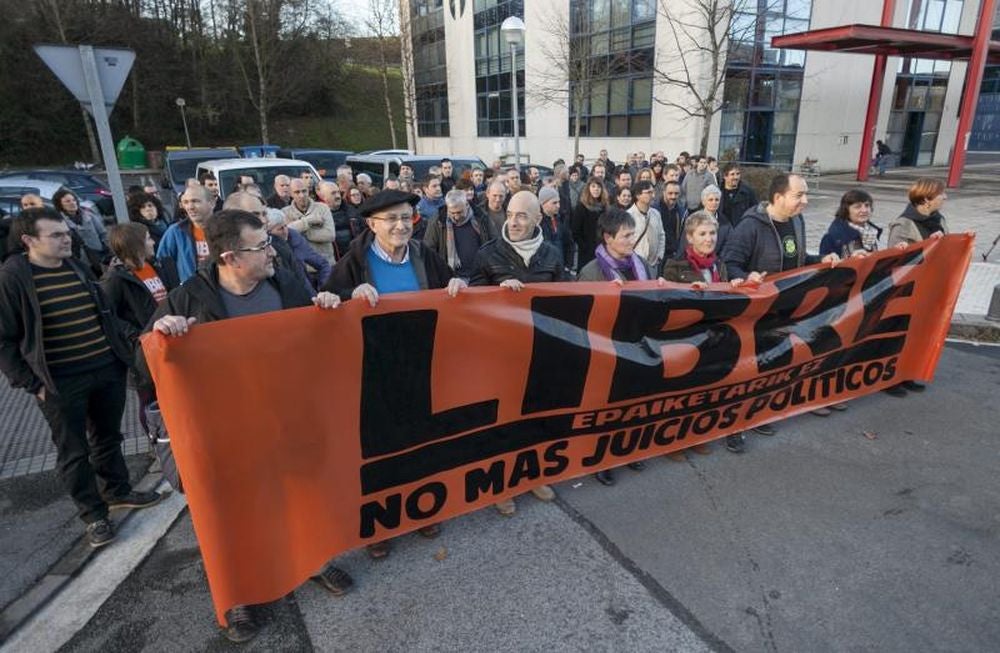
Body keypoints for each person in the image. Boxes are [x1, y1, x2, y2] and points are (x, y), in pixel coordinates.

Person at [146, 209, 351, 643]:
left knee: (300, 496)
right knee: (237, 513)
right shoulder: (188, 298)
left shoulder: (286, 283)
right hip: (227, 431)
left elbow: (315, 342)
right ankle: (240, 595)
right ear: (230, 257)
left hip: (288, 420)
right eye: (261, 246)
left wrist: (326, 307)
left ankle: (312, 562)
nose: (272, 250)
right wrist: (163, 333)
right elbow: (143, 365)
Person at [0, 208, 162, 550]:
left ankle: (117, 490)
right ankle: (93, 515)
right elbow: (5, 340)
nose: (67, 238)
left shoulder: (75, 265)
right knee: (73, 450)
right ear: (29, 241)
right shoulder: (14, 278)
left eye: (66, 232)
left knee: (107, 436)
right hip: (59, 381)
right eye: (56, 235)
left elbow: (103, 312)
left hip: (105, 368)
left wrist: (119, 356)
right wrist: (33, 385)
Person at [321, 189, 464, 557]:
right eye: (392, 219)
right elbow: (325, 303)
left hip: (419, 367)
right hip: (373, 373)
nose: (401, 225)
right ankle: (378, 527)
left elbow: (451, 286)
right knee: (378, 452)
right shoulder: (354, 261)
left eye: (406, 218)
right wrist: (349, 294)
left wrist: (457, 286)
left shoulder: (422, 255)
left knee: (418, 443)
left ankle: (421, 510)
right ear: (372, 224)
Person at [467, 190, 562, 510]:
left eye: (522, 215)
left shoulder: (552, 254)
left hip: (540, 351)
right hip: (500, 352)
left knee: (535, 417)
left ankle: (532, 475)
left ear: (538, 219)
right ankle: (500, 486)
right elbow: (472, 303)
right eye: (510, 213)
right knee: (501, 422)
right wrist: (497, 293)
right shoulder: (487, 254)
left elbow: (565, 300)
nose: (514, 220)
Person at [723, 173, 839, 433]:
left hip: (789, 307)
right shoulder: (750, 226)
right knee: (758, 365)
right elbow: (729, 263)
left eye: (805, 194)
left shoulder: (797, 221)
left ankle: (777, 405)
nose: (805, 201)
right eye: (799, 195)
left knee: (784, 359)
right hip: (758, 312)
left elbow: (797, 259)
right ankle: (750, 415)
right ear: (778, 197)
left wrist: (822, 259)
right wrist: (745, 277)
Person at [662, 211, 759, 453]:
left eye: (713, 233)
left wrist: (735, 287)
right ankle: (674, 442)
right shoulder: (674, 266)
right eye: (702, 234)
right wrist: (688, 292)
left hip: (716, 336)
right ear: (690, 238)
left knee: (707, 389)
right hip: (687, 340)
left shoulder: (719, 264)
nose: (709, 238)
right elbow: (664, 303)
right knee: (684, 392)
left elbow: (726, 301)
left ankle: (696, 436)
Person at [575, 208, 653, 484]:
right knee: (606, 408)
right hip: (606, 350)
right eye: (626, 235)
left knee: (634, 404)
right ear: (608, 237)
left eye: (633, 234)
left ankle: (629, 450)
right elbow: (583, 318)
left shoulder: (642, 264)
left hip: (638, 345)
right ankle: (602, 459)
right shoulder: (591, 272)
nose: (632, 240)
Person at [883, 178, 949, 397]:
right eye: (942, 194)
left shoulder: (938, 220)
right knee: (898, 336)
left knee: (917, 334)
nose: (945, 197)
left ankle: (907, 373)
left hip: (928, 287)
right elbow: (896, 260)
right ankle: (890, 379)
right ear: (927, 198)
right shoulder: (904, 224)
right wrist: (929, 244)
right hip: (906, 290)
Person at [423, 189, 498, 279]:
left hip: (480, 275)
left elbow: (494, 243)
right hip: (452, 277)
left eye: (459, 212)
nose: (456, 217)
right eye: (452, 213)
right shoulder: (437, 222)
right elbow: (429, 250)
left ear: (466, 205)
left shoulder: (481, 217)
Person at [156, 184, 214, 282]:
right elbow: (162, 265)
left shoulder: (226, 229)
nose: (190, 207)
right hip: (192, 292)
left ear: (212, 203)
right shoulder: (175, 232)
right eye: (186, 202)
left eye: (195, 201)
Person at [283, 178, 337, 264]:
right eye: (297, 192)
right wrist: (308, 221)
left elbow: (330, 235)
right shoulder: (285, 212)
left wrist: (302, 232)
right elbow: (287, 233)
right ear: (290, 194)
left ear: (308, 191)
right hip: (302, 267)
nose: (302, 195)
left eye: (304, 191)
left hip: (326, 264)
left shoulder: (323, 208)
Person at [54, 187, 108, 260]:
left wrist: (107, 250)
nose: (72, 203)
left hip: (98, 257)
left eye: (74, 200)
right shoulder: (59, 221)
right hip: (76, 260)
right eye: (67, 201)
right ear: (60, 205)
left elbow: (103, 234)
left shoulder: (90, 216)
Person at [571, 176, 609, 271]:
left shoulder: (605, 207)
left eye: (598, 187)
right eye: (593, 186)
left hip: (603, 249)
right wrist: (584, 246)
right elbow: (575, 231)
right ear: (588, 188)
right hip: (586, 251)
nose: (596, 189)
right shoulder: (581, 207)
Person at [627, 180, 665, 271]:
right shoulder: (628, 216)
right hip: (634, 264)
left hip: (653, 264)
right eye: (649, 192)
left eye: (653, 192)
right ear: (638, 195)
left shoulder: (656, 214)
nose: (653, 196)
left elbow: (661, 235)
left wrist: (660, 255)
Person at [538, 186, 575, 273]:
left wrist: (568, 266)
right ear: (543, 204)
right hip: (546, 270)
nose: (558, 206)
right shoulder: (538, 223)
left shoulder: (560, 218)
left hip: (562, 268)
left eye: (558, 202)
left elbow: (569, 243)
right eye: (554, 203)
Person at [317, 181, 353, 259]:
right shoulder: (317, 215)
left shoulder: (351, 211)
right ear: (323, 197)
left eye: (338, 192)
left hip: (353, 256)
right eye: (333, 193)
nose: (337, 196)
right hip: (333, 260)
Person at [654, 180, 688, 260]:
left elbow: (683, 237)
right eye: (670, 193)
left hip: (674, 255)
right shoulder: (654, 210)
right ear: (664, 193)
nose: (673, 196)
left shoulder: (682, 212)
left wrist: (678, 254)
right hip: (656, 255)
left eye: (676, 193)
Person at [718, 163, 757, 228]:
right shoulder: (717, 192)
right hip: (721, 230)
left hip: (741, 230)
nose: (736, 177)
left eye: (738, 174)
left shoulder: (747, 192)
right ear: (725, 176)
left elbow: (755, 211)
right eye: (732, 174)